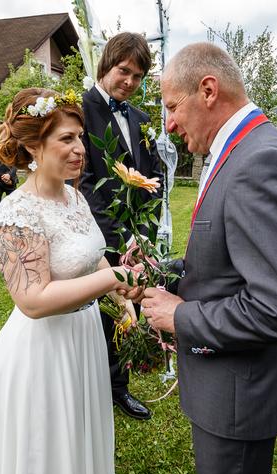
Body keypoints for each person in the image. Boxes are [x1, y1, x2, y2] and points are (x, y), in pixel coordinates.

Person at [139, 42, 277, 474]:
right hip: (231, 389)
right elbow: (229, 259)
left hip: (239, 397)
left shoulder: (261, 161)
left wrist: (180, 316)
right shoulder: (238, 150)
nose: (169, 124)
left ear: (208, 90)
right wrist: (163, 272)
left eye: (172, 107)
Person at [0, 87, 138, 474]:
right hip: (43, 351)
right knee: (48, 452)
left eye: (79, 137)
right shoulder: (16, 213)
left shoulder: (74, 197)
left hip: (84, 337)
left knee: (79, 439)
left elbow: (92, 254)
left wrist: (122, 299)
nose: (80, 148)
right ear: (34, 146)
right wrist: (114, 276)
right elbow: (33, 300)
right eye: (66, 138)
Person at [78, 31, 163, 421]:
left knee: (131, 311)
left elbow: (155, 179)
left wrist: (143, 235)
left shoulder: (142, 120)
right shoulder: (79, 111)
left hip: (137, 241)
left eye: (137, 76)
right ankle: (91, 385)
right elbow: (82, 183)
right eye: (123, 71)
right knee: (99, 316)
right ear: (106, 65)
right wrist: (119, 237)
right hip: (97, 238)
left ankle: (118, 386)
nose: (129, 82)